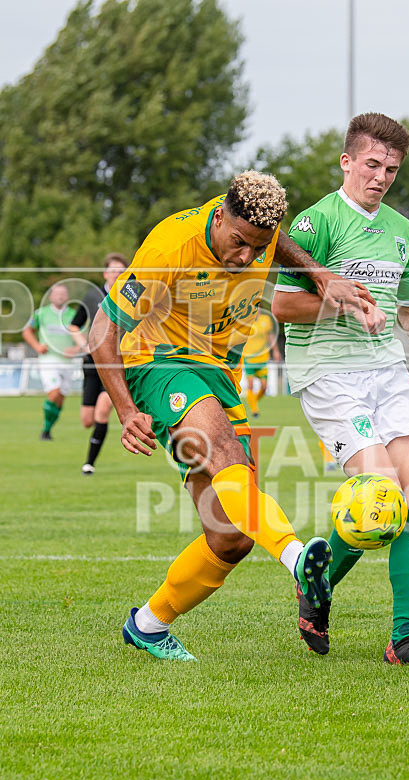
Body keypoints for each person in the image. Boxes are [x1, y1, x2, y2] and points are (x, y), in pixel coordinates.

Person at [89, 171, 374, 662]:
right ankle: (297, 559)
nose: (245, 257)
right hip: (159, 364)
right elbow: (101, 332)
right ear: (220, 216)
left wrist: (319, 274)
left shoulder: (259, 238)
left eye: (255, 248)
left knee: (231, 535)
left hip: (220, 373)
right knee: (224, 454)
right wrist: (126, 408)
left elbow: (278, 244)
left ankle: (148, 625)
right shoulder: (168, 248)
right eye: (239, 242)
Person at [272, 113, 409, 666]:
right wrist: (347, 300)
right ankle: (316, 585)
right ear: (347, 161)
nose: (381, 177)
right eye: (372, 164)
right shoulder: (318, 223)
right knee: (378, 492)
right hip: (330, 375)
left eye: (392, 169)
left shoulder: (401, 229)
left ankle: (404, 638)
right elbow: (282, 306)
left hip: (388, 373)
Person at [69, 253, 128, 474]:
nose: (117, 275)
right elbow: (74, 325)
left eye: (122, 271)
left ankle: (89, 464)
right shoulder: (92, 296)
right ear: (105, 273)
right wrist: (84, 344)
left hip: (116, 364)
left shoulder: (131, 296)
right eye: (113, 270)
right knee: (87, 420)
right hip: (91, 363)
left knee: (103, 409)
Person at [22, 284, 79, 440]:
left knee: (60, 399)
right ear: (51, 296)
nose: (60, 296)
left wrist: (75, 349)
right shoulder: (41, 313)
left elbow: (84, 336)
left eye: (63, 293)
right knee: (54, 394)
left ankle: (47, 430)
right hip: (49, 359)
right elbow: (26, 331)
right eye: (57, 293)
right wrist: (37, 346)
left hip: (68, 362)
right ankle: (46, 430)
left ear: (67, 296)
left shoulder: (74, 314)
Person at [242, 308, 281, 417]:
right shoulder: (245, 322)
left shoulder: (266, 319)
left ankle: (253, 401)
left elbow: (271, 337)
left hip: (263, 359)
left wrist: (276, 351)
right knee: (250, 385)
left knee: (264, 387)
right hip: (249, 358)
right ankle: (255, 411)